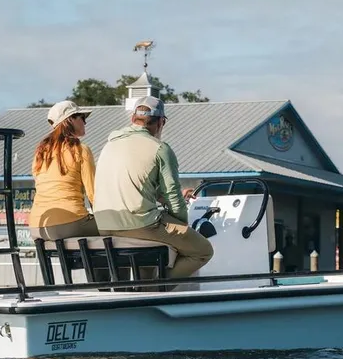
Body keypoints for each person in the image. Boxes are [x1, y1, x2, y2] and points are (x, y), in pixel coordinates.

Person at [92, 95, 214, 279]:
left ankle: (146, 287)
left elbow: (134, 184)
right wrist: (183, 225)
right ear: (161, 122)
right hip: (140, 225)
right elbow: (173, 195)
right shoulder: (160, 149)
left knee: (151, 245)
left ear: (132, 118)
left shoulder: (110, 144)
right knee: (202, 250)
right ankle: (156, 288)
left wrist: (159, 198)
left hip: (104, 224)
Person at [28, 100, 98, 241]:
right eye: (82, 118)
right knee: (116, 227)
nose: (85, 123)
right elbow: (93, 194)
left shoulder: (40, 152)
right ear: (70, 120)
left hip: (37, 226)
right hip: (70, 223)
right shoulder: (81, 150)